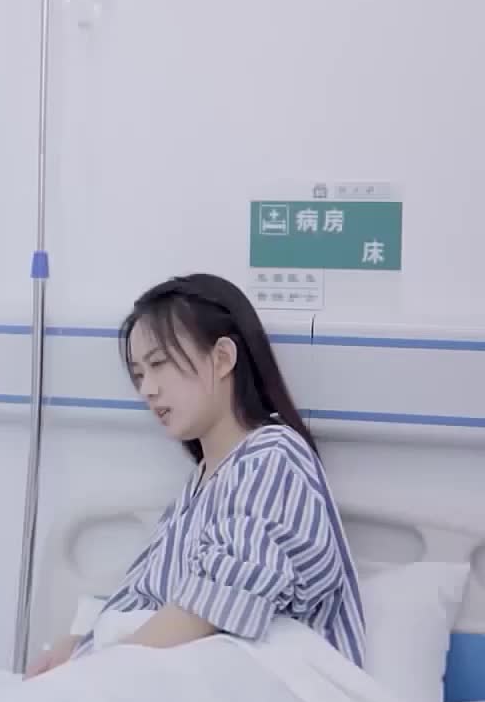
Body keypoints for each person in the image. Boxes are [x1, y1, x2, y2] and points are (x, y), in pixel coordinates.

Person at [28, 273, 364, 676]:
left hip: (263, 689)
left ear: (222, 358)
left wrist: (94, 673)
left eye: (158, 364)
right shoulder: (200, 488)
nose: (147, 390)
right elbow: (149, 599)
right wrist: (81, 644)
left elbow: (211, 605)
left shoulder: (274, 458)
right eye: (139, 374)